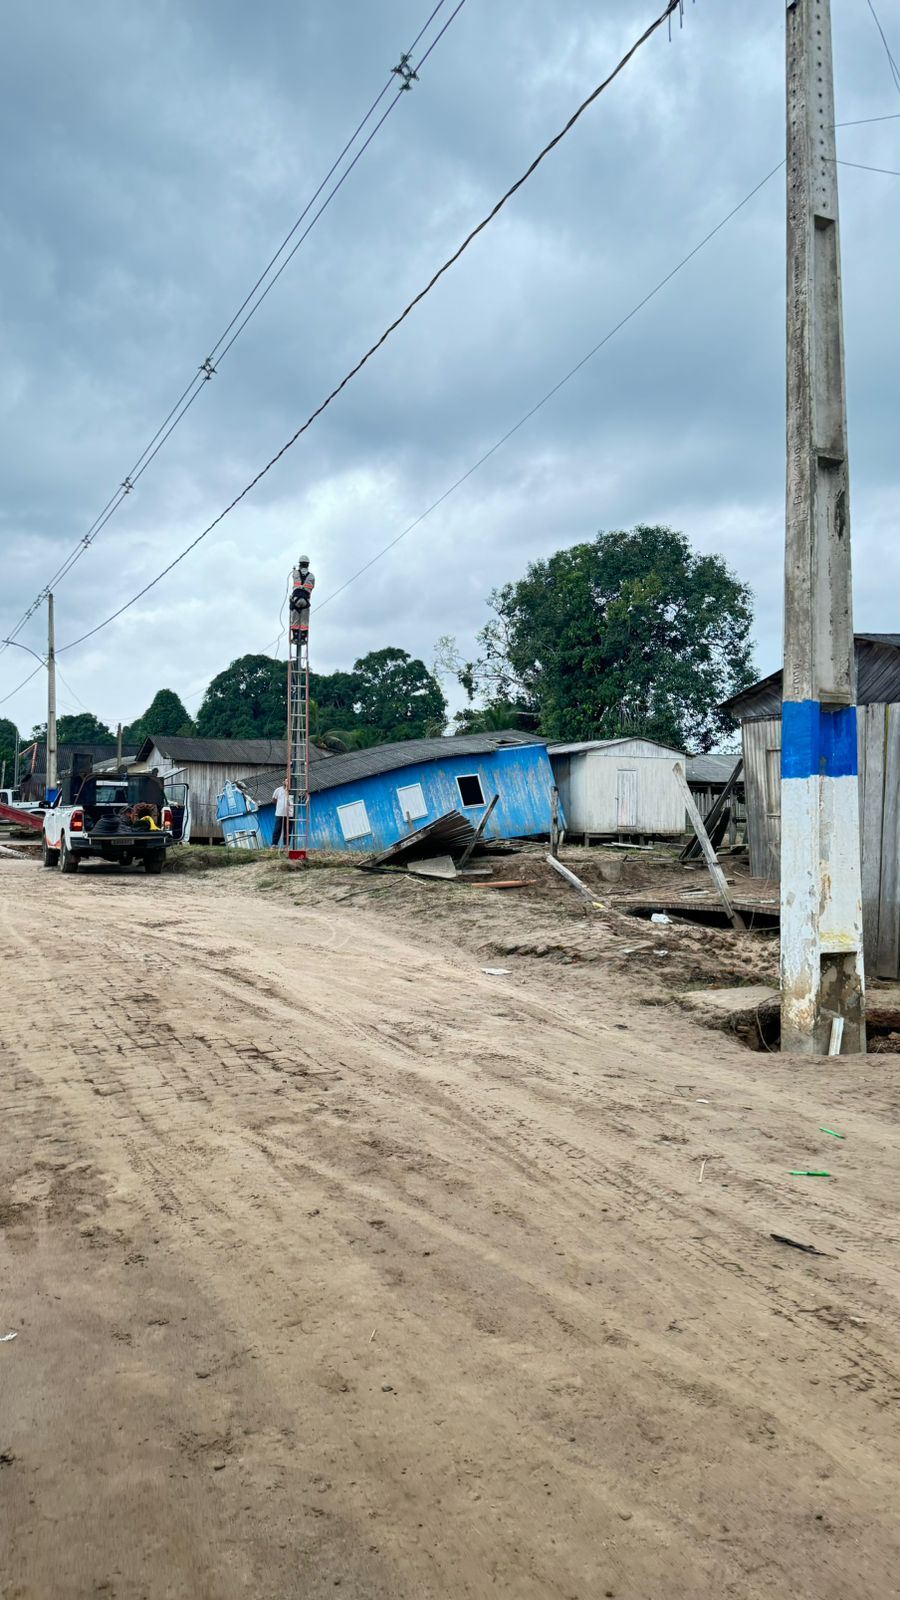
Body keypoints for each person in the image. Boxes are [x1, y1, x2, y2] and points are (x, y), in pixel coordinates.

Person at [272, 781, 293, 847]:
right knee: (277, 829)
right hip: (279, 813)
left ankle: (286, 845)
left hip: (290, 813)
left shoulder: (293, 790)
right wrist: (280, 806)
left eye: (288, 781)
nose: (287, 782)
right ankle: (274, 844)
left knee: (288, 830)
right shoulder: (278, 790)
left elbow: (296, 800)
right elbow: (274, 800)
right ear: (283, 782)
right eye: (286, 780)